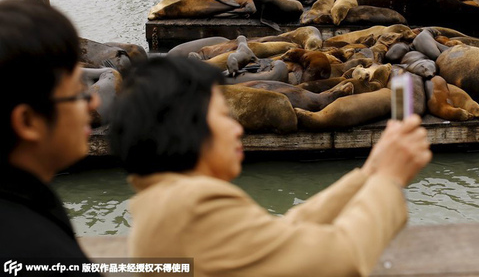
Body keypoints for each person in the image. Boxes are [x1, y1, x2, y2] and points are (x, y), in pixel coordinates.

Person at [109, 56, 431, 277]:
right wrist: (388, 179)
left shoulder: (164, 204)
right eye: (224, 116)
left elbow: (282, 234)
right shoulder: (192, 208)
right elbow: (339, 259)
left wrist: (369, 173)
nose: (238, 129)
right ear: (187, 127)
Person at [0, 0, 101, 266]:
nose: (94, 102)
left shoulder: (28, 206)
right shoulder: (38, 255)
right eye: (78, 93)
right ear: (28, 122)